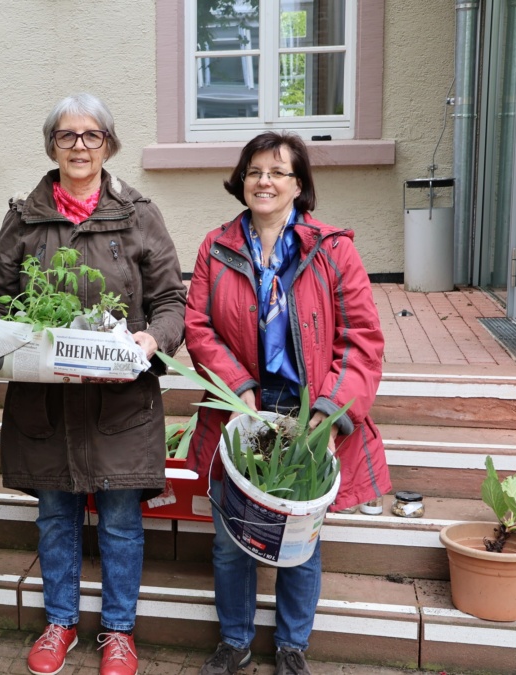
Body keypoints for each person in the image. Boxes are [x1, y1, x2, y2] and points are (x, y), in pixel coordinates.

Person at [0, 93, 186, 675]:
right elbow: (0, 299)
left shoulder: (139, 215)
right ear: (52, 146)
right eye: (67, 136)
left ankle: (119, 631)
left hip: (121, 403)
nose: (80, 146)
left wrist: (152, 339)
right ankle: (59, 622)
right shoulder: (24, 218)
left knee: (121, 521)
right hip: (48, 400)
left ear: (108, 144)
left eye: (92, 136)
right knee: (55, 515)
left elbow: (171, 301)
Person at [183, 131, 390, 675]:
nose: (264, 181)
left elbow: (361, 338)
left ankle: (292, 646)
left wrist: (330, 411)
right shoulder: (216, 247)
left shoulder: (333, 249)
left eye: (278, 172)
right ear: (241, 181)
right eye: (254, 171)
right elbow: (199, 328)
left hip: (308, 407)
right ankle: (235, 641)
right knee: (231, 537)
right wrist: (237, 388)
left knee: (300, 539)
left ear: (299, 185)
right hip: (242, 406)